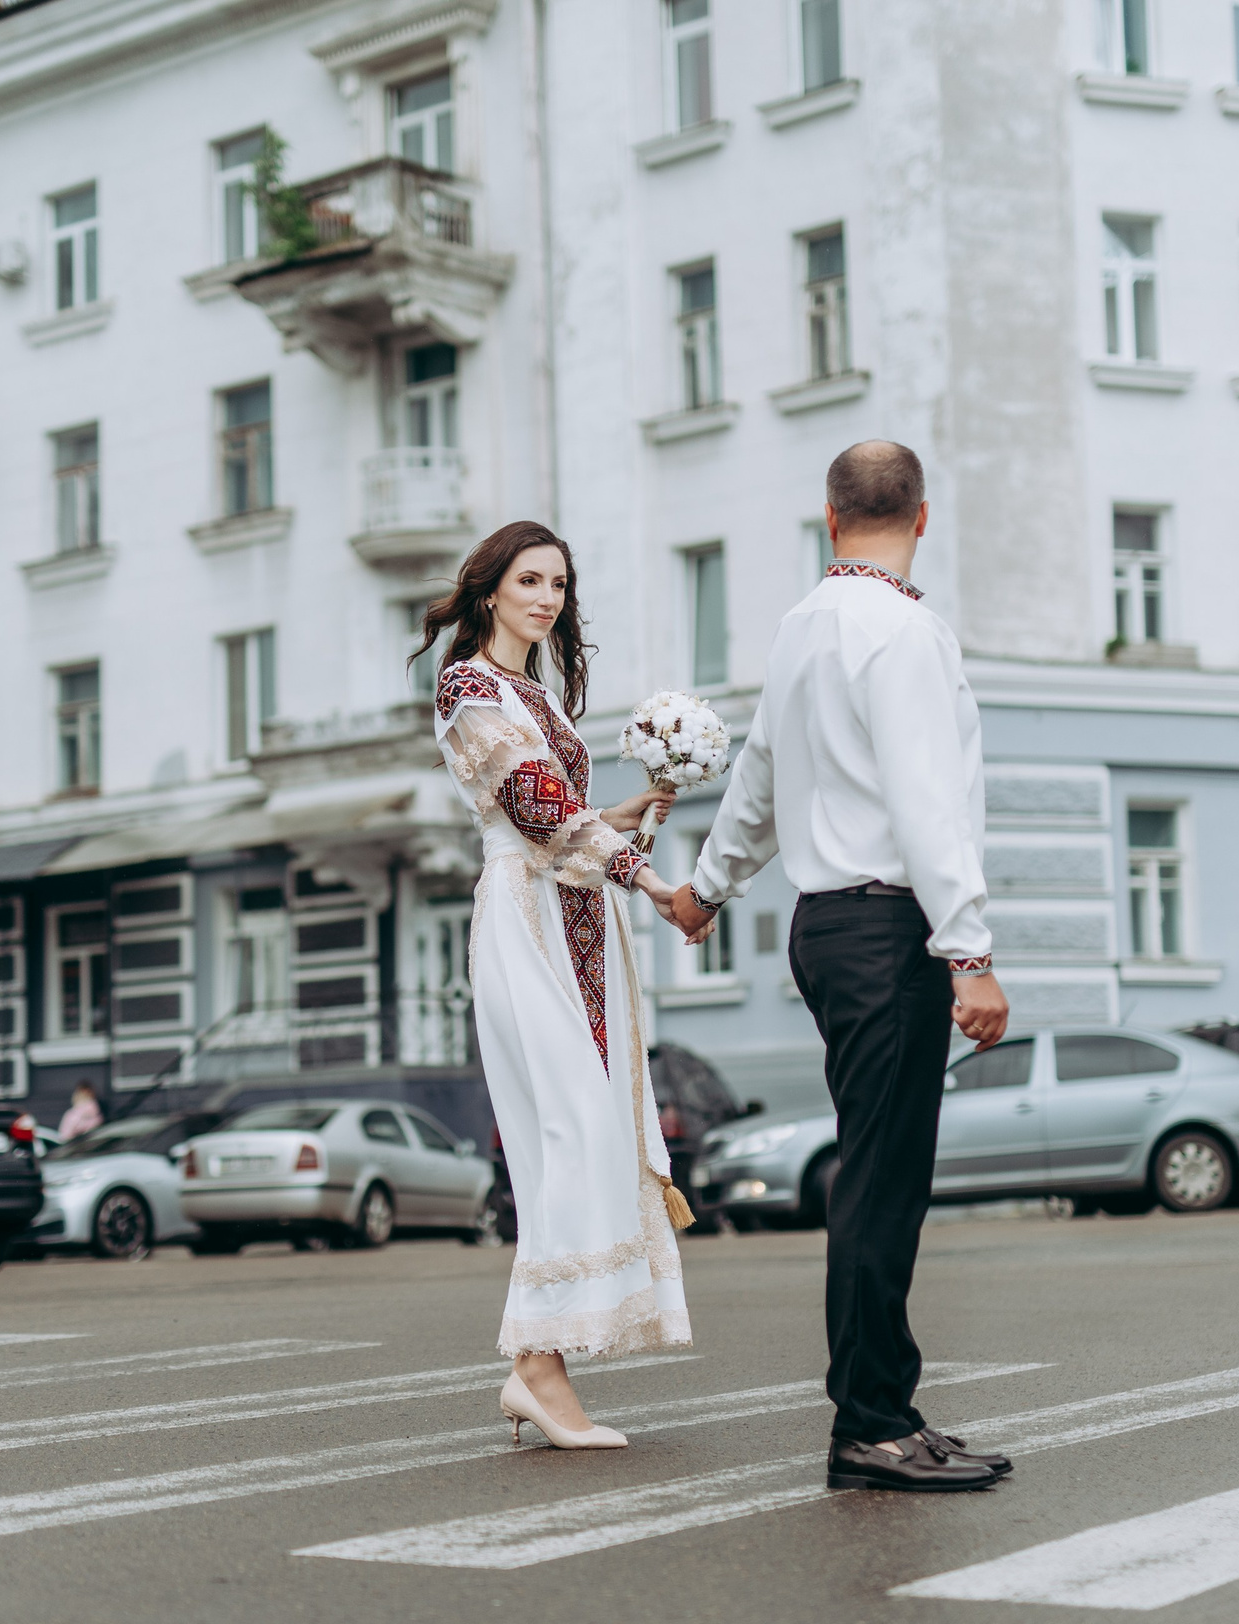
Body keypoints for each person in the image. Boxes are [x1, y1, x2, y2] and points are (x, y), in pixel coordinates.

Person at [671, 441, 1015, 1493]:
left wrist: (707, 887)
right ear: (922, 517)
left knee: (877, 1174)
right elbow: (926, 801)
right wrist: (970, 954)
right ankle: (868, 1424)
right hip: (886, 929)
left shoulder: (801, 629)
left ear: (830, 520)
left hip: (823, 930)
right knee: (883, 1182)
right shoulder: (904, 632)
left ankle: (886, 1407)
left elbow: (760, 778)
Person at [415, 520, 696, 1449]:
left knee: (594, 1129)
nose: (547, 597)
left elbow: (564, 812)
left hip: (580, 918)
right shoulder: (467, 686)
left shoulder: (539, 694)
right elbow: (533, 809)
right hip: (526, 921)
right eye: (529, 579)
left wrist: (629, 812)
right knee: (568, 1129)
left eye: (560, 584)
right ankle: (539, 1365)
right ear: (490, 588)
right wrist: (651, 879)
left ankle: (539, 1366)